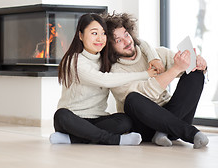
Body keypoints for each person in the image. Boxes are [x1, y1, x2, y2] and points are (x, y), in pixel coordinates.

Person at [50, 13, 158, 146]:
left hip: (98, 119)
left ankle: (74, 139)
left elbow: (139, 43)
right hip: (74, 119)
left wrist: (154, 58)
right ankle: (114, 140)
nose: (100, 38)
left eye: (103, 33)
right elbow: (104, 80)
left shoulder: (106, 58)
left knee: (125, 120)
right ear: (81, 35)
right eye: (94, 33)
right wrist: (145, 74)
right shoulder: (74, 60)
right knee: (61, 116)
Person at [105, 12, 209, 149]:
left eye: (126, 34)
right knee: (132, 99)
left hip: (176, 115)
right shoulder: (114, 73)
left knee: (196, 74)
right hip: (147, 127)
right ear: (109, 47)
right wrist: (176, 69)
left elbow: (186, 67)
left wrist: (200, 64)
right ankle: (190, 133)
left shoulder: (157, 54)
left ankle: (163, 132)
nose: (126, 41)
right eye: (118, 40)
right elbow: (146, 93)